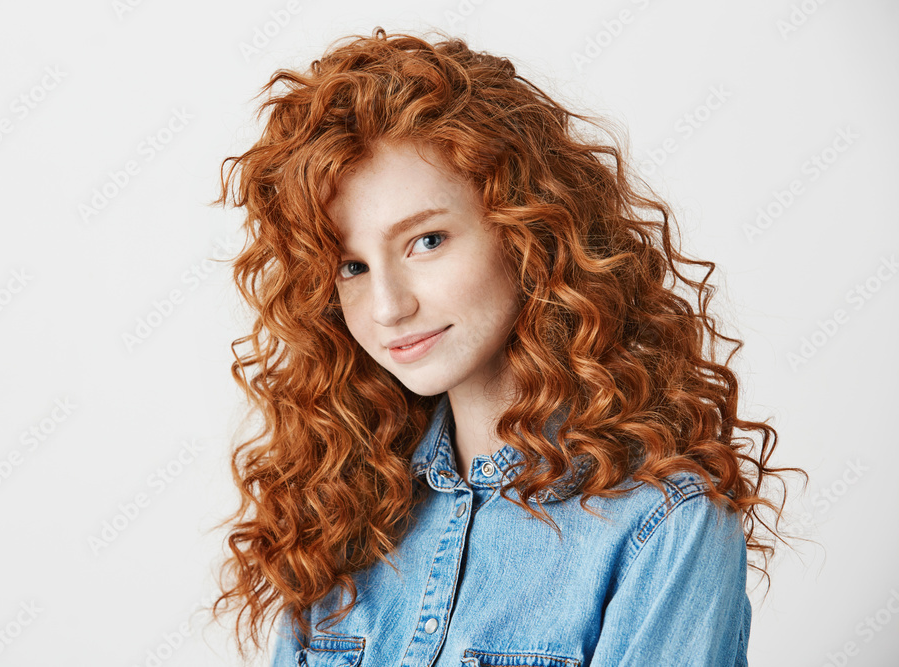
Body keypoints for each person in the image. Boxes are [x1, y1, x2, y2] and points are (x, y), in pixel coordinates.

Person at [209, 27, 805, 666]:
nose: (388, 307)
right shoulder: (343, 510)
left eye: (427, 241)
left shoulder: (664, 525)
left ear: (529, 230)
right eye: (352, 267)